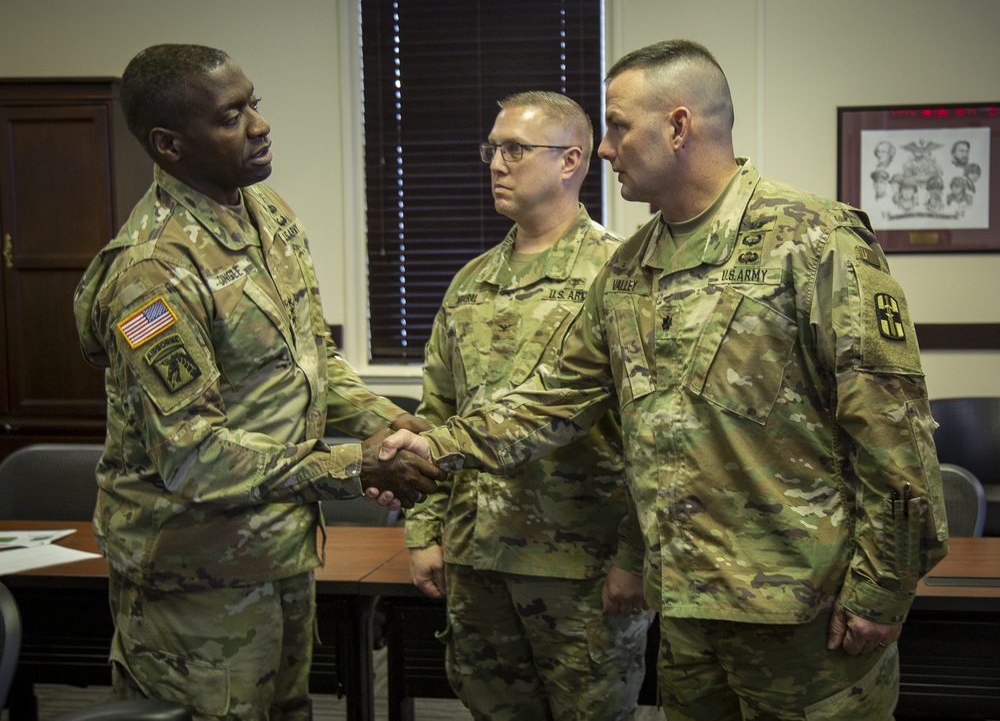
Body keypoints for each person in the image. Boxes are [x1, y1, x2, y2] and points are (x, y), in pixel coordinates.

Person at [382, 39, 949, 719]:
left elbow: (894, 433)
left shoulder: (811, 239)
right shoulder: (627, 271)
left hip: (804, 614)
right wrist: (431, 449)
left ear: (678, 127)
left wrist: (883, 590)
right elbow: (549, 402)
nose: (604, 148)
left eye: (618, 126)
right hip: (686, 612)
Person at [73, 44, 444, 720]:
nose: (258, 125)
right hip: (193, 579)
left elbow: (309, 361)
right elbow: (193, 457)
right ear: (169, 144)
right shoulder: (151, 274)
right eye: (231, 115)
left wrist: (382, 421)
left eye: (254, 104)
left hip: (277, 551)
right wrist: (354, 467)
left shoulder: (264, 212)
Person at [405, 91, 651, 720]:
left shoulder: (622, 276)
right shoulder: (471, 281)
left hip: (580, 569)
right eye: (492, 148)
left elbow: (653, 439)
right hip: (476, 556)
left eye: (515, 149)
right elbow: (437, 415)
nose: (496, 163)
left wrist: (635, 556)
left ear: (571, 161)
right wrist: (424, 530)